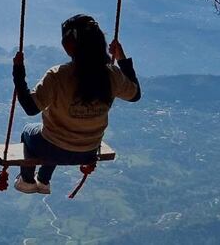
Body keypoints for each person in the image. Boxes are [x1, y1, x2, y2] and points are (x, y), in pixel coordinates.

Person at [10, 13, 141, 194]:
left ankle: (27, 180)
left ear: (70, 44)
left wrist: (18, 73)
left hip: (52, 149)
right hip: (88, 151)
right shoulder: (112, 74)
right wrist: (122, 58)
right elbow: (135, 95)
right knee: (55, 134)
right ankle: (43, 180)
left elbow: (30, 108)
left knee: (29, 131)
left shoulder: (59, 75)